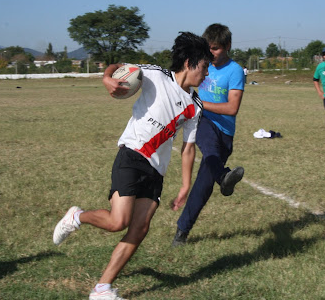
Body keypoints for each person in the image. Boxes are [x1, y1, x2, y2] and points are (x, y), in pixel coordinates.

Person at [52, 32, 213, 300]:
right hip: (132, 156)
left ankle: (102, 288)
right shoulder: (156, 75)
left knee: (139, 228)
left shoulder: (194, 106)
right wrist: (107, 78)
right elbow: (119, 67)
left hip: (156, 171)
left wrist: (185, 184)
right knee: (118, 221)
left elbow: (188, 148)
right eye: (204, 67)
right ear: (188, 63)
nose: (206, 74)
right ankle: (76, 217)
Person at [171, 23, 245, 247]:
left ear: (228, 46)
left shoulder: (235, 71)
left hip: (225, 132)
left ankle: (182, 230)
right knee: (209, 146)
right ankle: (223, 176)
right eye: (209, 48)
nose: (211, 53)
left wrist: (200, 102)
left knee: (203, 185)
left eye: (216, 48)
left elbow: (232, 108)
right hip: (201, 121)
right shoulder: (201, 63)